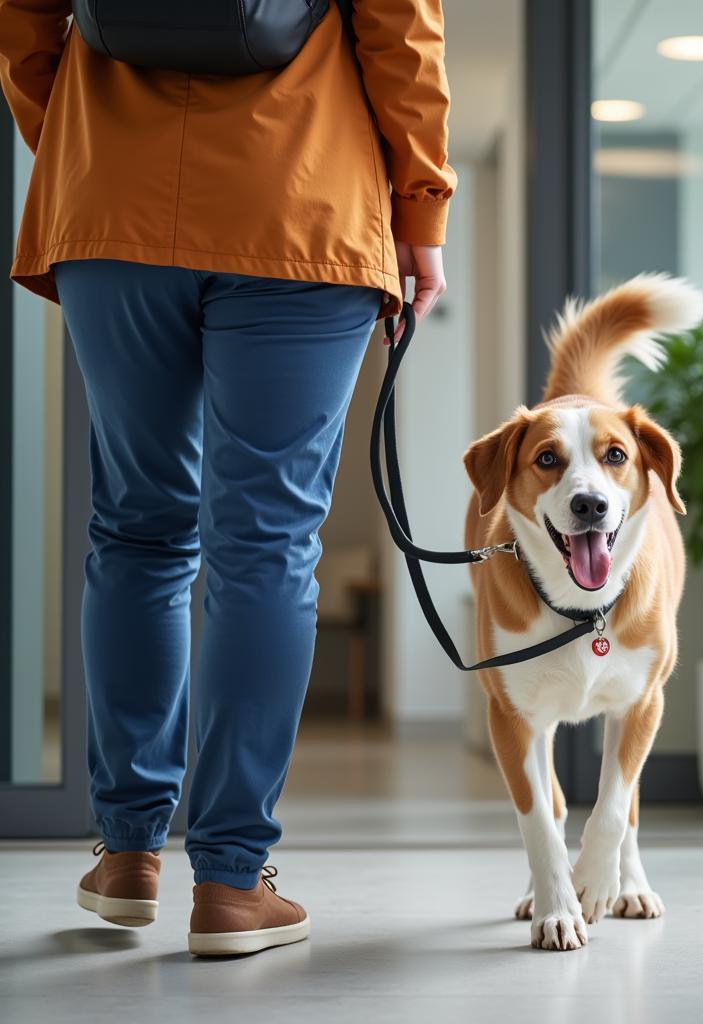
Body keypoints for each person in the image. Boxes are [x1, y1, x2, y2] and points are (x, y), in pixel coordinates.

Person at [0, 0, 456, 956]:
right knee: (268, 548)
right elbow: (400, 27)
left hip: (111, 199)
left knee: (135, 528)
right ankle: (232, 885)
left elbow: (24, 18)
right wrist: (420, 207)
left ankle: (127, 855)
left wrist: (81, 138)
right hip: (303, 195)